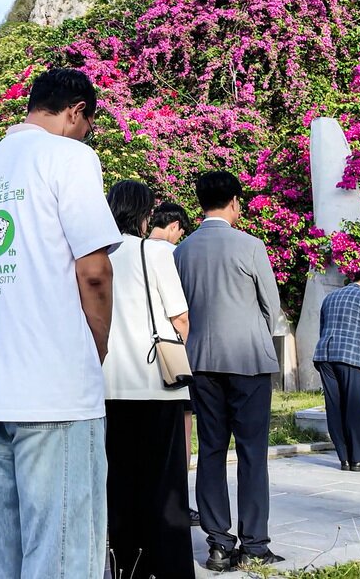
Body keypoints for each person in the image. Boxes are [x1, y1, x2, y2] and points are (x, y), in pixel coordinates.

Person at [0, 67, 122, 579]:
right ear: (76, 112)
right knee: (65, 553)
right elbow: (94, 272)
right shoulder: (68, 156)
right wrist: (95, 345)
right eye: (87, 123)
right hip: (54, 388)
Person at [174, 171, 284, 571]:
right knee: (253, 452)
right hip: (248, 361)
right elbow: (271, 307)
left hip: (200, 361)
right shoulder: (251, 246)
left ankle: (218, 543)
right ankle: (254, 542)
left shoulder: (181, 251)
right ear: (235, 201)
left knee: (211, 450)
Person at [102, 181, 195, 579]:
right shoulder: (156, 251)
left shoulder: (94, 255)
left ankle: (127, 565)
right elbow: (181, 319)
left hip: (107, 385)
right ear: (143, 214)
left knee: (119, 481)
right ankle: (170, 567)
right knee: (166, 483)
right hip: (156, 383)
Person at [148, 201, 197, 521]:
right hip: (167, 356)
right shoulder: (166, 254)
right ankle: (178, 501)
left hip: (130, 365)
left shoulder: (122, 251)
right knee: (182, 430)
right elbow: (180, 315)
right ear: (175, 226)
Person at [312, 270, 360, 472]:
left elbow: (322, 328)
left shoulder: (331, 297)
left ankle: (344, 458)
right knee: (354, 407)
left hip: (325, 355)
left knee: (334, 407)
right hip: (352, 357)